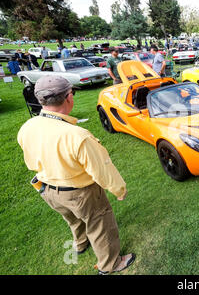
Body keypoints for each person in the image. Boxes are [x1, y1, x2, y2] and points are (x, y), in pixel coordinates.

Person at [17, 75, 136, 275]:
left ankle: (80, 244)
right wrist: (119, 189)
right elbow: (102, 169)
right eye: (71, 93)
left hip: (47, 190)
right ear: (68, 97)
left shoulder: (27, 127)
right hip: (81, 193)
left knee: (73, 219)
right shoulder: (77, 136)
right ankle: (111, 265)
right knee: (100, 226)